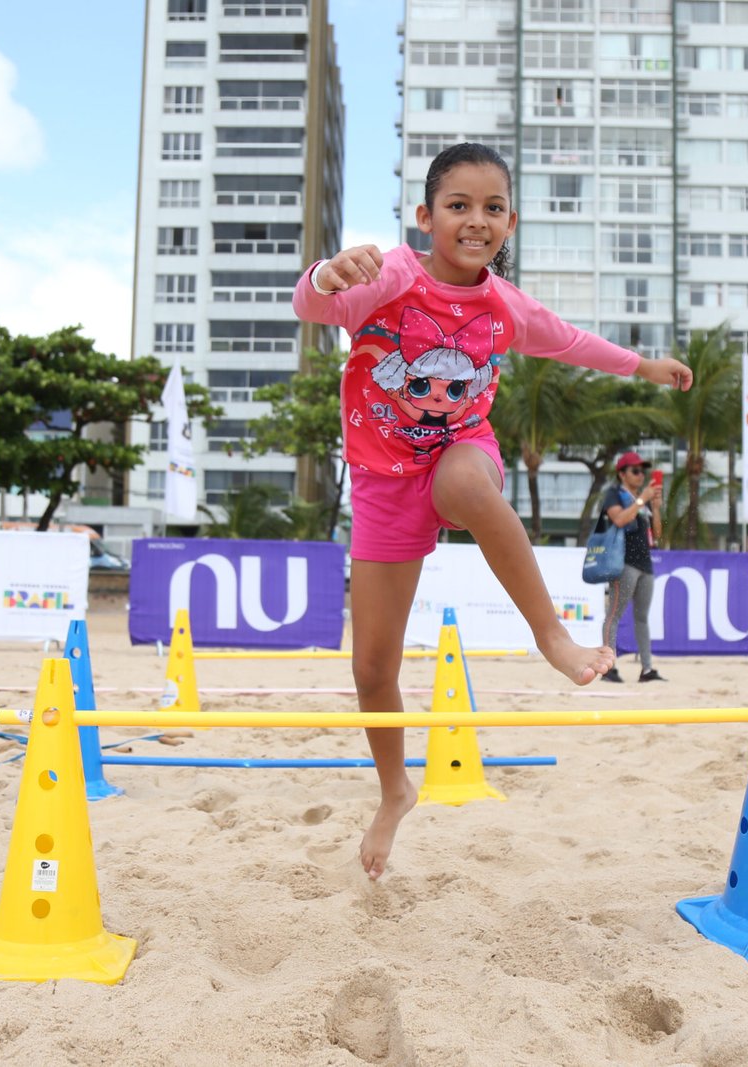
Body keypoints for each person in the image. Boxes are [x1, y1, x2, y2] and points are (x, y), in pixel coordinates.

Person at [294, 141, 694, 880]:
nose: (475, 220)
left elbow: (573, 342)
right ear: (425, 216)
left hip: (460, 455)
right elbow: (313, 306)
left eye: (492, 208)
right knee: (373, 668)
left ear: (509, 224)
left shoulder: (503, 306)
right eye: (458, 206)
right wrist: (326, 271)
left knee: (467, 485)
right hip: (382, 484)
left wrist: (643, 366)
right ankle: (393, 792)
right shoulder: (387, 275)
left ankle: (551, 634)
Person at [599, 451, 664, 683]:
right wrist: (641, 500)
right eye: (635, 471)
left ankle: (647, 669)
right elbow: (618, 519)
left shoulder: (641, 500)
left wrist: (655, 507)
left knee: (642, 618)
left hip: (645, 562)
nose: (640, 475)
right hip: (623, 562)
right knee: (614, 615)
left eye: (642, 471)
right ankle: (608, 667)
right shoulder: (614, 494)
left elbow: (656, 535)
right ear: (622, 474)